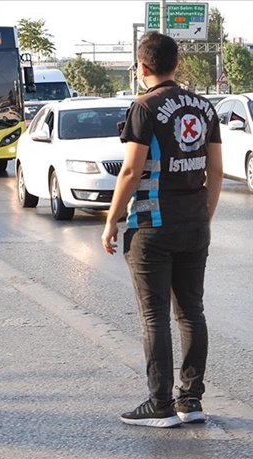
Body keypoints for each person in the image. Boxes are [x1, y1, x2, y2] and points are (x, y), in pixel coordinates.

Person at [101, 31, 222, 429]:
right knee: (191, 313)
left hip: (152, 226)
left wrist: (111, 220)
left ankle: (160, 404)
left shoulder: (144, 106)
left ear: (143, 67)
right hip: (194, 224)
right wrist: (204, 215)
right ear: (175, 64)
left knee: (155, 317)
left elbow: (132, 171)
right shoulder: (204, 107)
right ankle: (192, 400)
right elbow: (216, 170)